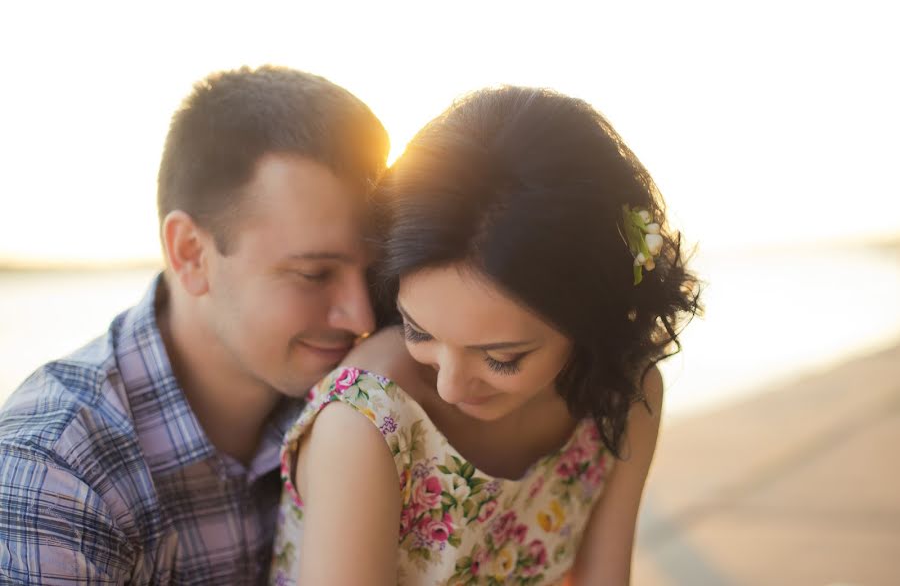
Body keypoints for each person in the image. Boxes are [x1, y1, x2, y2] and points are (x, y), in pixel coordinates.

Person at [269, 86, 701, 585]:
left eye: (501, 357)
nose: (451, 386)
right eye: (418, 330)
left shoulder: (624, 395)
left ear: (590, 318)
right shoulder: (366, 425)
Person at [0, 66, 389, 584]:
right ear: (190, 253)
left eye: (375, 271)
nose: (360, 316)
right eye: (313, 274)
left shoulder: (365, 396)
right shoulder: (55, 470)